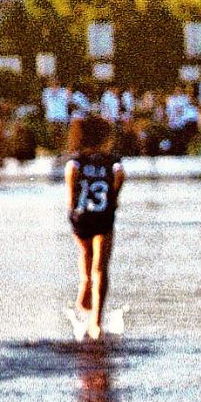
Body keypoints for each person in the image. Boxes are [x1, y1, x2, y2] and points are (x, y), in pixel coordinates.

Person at [66, 116, 126, 341]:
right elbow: (120, 174)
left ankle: (84, 284)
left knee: (86, 252)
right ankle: (96, 323)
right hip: (103, 215)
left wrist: (72, 205)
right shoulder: (112, 161)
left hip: (81, 216)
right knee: (101, 267)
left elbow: (70, 173)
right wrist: (116, 196)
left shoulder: (77, 160)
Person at [163, 83, 200, 156]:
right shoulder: (170, 99)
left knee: (181, 143)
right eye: (176, 89)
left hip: (182, 124)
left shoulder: (184, 98)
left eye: (179, 89)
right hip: (172, 124)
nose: (177, 90)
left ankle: (183, 153)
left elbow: (193, 103)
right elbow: (168, 112)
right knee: (173, 142)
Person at [42, 79, 72, 154]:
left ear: (59, 84)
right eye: (52, 83)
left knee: (62, 136)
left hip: (62, 117)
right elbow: (44, 103)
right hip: (51, 117)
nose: (54, 85)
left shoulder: (64, 91)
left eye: (56, 84)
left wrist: (69, 93)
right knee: (52, 135)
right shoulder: (46, 92)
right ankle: (53, 151)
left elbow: (69, 101)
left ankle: (62, 151)